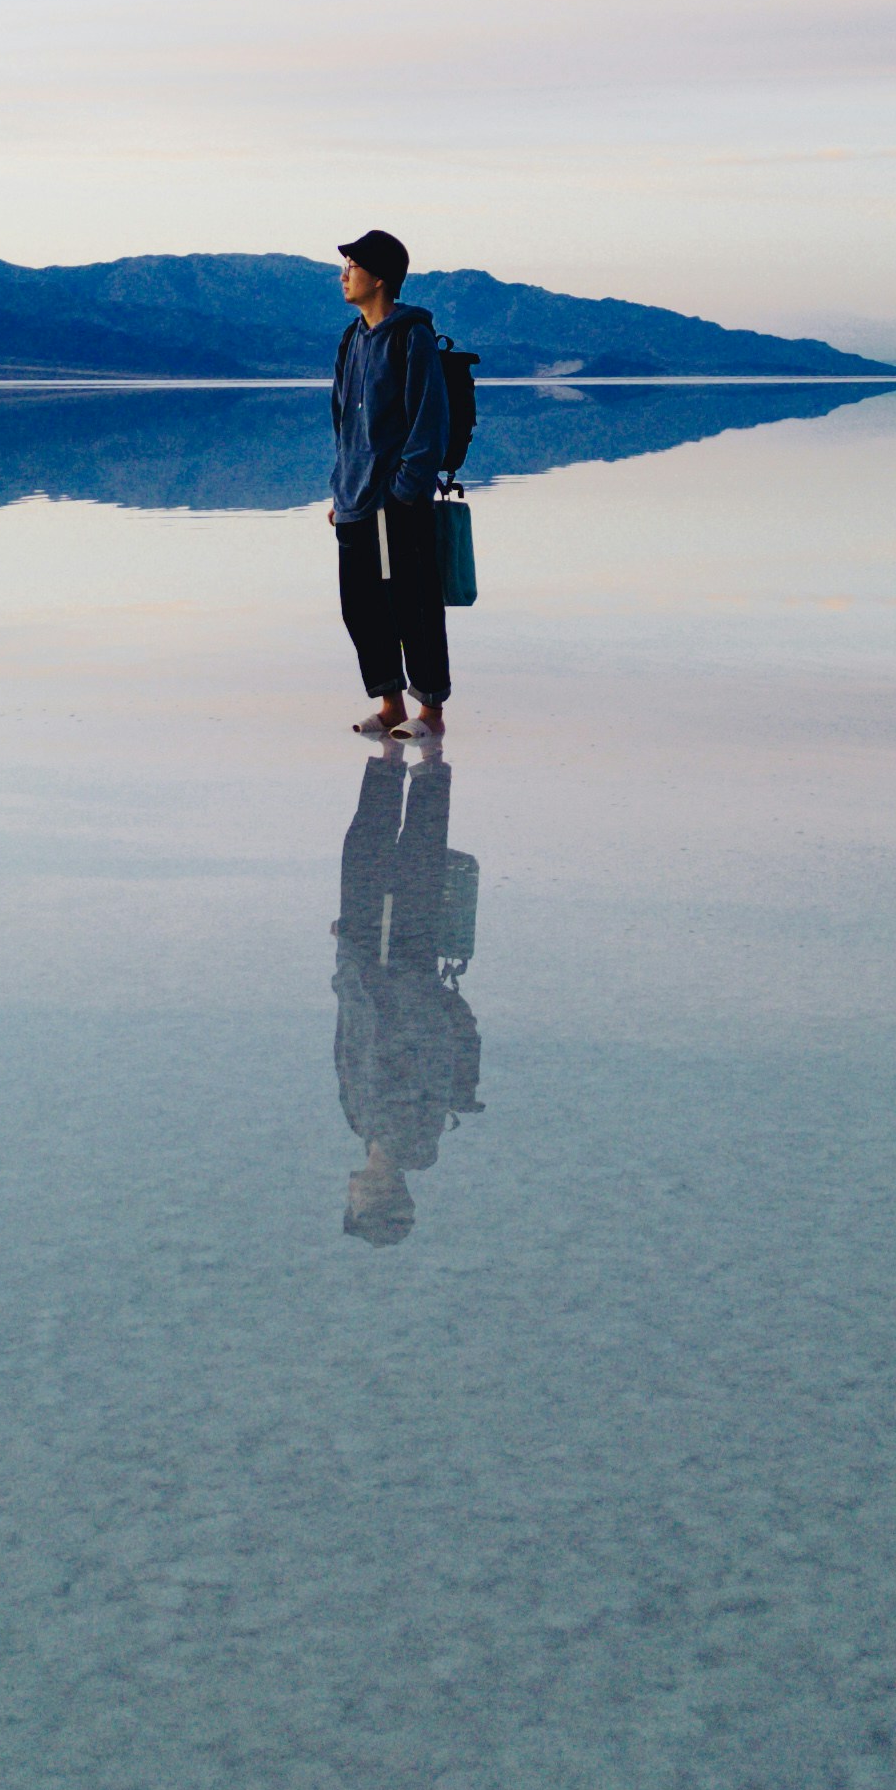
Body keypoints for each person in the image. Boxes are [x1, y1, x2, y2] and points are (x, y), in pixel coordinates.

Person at [331, 744, 482, 1245]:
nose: (351, 1198)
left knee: (367, 849)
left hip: (365, 961)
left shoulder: (364, 1126)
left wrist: (347, 968)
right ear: (373, 1197)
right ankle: (428, 754)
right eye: (360, 1207)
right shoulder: (406, 1132)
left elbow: (349, 1037)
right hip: (394, 961)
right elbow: (417, 1038)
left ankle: (393, 751)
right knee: (413, 855)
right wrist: (374, 969)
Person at [327, 227, 455, 738]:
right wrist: (341, 487)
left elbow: (430, 419)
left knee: (415, 606)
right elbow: (342, 424)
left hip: (399, 501)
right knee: (360, 608)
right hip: (354, 498)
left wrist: (406, 490)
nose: (343, 276)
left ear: (379, 278)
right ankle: (389, 704)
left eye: (352, 267)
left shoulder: (411, 336)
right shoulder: (351, 338)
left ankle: (430, 712)